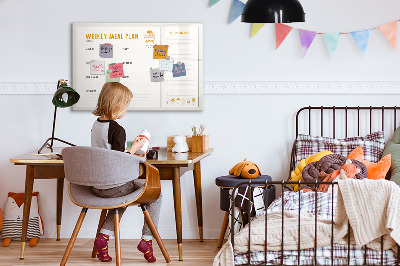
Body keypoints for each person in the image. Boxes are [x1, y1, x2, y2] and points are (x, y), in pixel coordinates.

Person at [91, 82, 161, 263]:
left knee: (121, 197)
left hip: (97, 186)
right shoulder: (117, 129)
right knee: (156, 194)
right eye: (126, 106)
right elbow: (119, 160)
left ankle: (103, 238)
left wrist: (131, 149)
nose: (126, 110)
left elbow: (108, 154)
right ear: (117, 105)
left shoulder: (96, 125)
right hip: (114, 186)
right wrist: (136, 148)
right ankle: (147, 240)